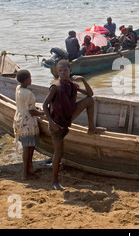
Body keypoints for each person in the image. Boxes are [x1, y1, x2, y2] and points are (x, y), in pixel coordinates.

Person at [43, 60, 106, 190]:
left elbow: (90, 94)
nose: (62, 73)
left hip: (68, 115)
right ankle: (55, 181)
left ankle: (91, 128)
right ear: (57, 73)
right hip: (57, 123)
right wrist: (51, 122)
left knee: (89, 101)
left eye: (65, 70)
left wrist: (83, 79)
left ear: (70, 71)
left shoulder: (73, 84)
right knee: (58, 152)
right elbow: (45, 105)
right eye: (60, 71)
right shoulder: (55, 87)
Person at [13, 70, 44, 180]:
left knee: (28, 147)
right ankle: (25, 173)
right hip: (28, 122)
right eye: (30, 78)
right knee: (28, 148)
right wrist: (44, 113)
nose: (31, 79)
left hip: (19, 118)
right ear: (26, 80)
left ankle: (29, 170)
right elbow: (32, 111)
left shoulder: (18, 89)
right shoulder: (28, 93)